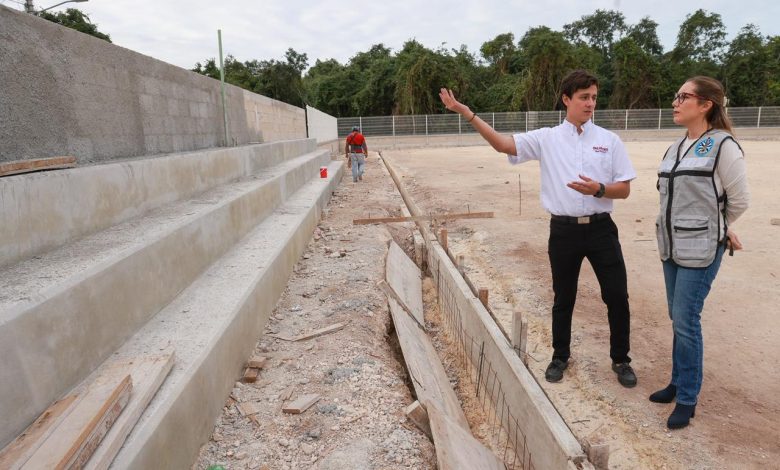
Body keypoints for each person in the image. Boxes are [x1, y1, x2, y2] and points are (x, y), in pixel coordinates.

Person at [439, 69, 638, 388]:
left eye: (594, 98)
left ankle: (621, 359)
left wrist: (599, 189)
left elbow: (625, 189)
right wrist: (467, 113)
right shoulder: (547, 138)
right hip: (564, 231)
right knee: (563, 297)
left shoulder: (608, 141)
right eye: (584, 97)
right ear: (566, 99)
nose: (590, 104)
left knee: (616, 295)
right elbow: (503, 144)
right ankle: (560, 356)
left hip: (602, 230)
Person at [651, 76, 749, 429]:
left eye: (684, 97)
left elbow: (738, 200)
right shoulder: (676, 146)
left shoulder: (724, 146)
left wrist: (720, 229)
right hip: (671, 247)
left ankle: (688, 398)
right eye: (676, 96)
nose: (675, 102)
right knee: (678, 319)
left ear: (706, 104)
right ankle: (676, 383)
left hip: (702, 249)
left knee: (687, 321)